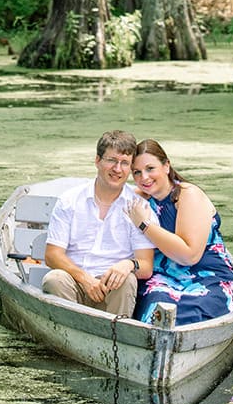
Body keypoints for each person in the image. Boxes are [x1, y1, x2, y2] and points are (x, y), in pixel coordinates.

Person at [123, 139, 233, 325]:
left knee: (189, 310)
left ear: (166, 166)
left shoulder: (188, 195)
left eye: (150, 169)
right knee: (155, 305)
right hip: (163, 276)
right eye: (137, 172)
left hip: (206, 274)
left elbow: (189, 256)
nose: (144, 178)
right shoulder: (140, 200)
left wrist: (145, 225)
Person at [42, 130, 156, 317]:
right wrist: (85, 279)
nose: (117, 169)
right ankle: (70, 334)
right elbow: (52, 255)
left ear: (130, 168)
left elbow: (146, 266)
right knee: (54, 279)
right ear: (97, 160)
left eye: (124, 163)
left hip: (113, 289)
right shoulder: (70, 200)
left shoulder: (138, 207)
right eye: (111, 160)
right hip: (74, 287)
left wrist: (128, 264)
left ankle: (116, 337)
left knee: (127, 279)